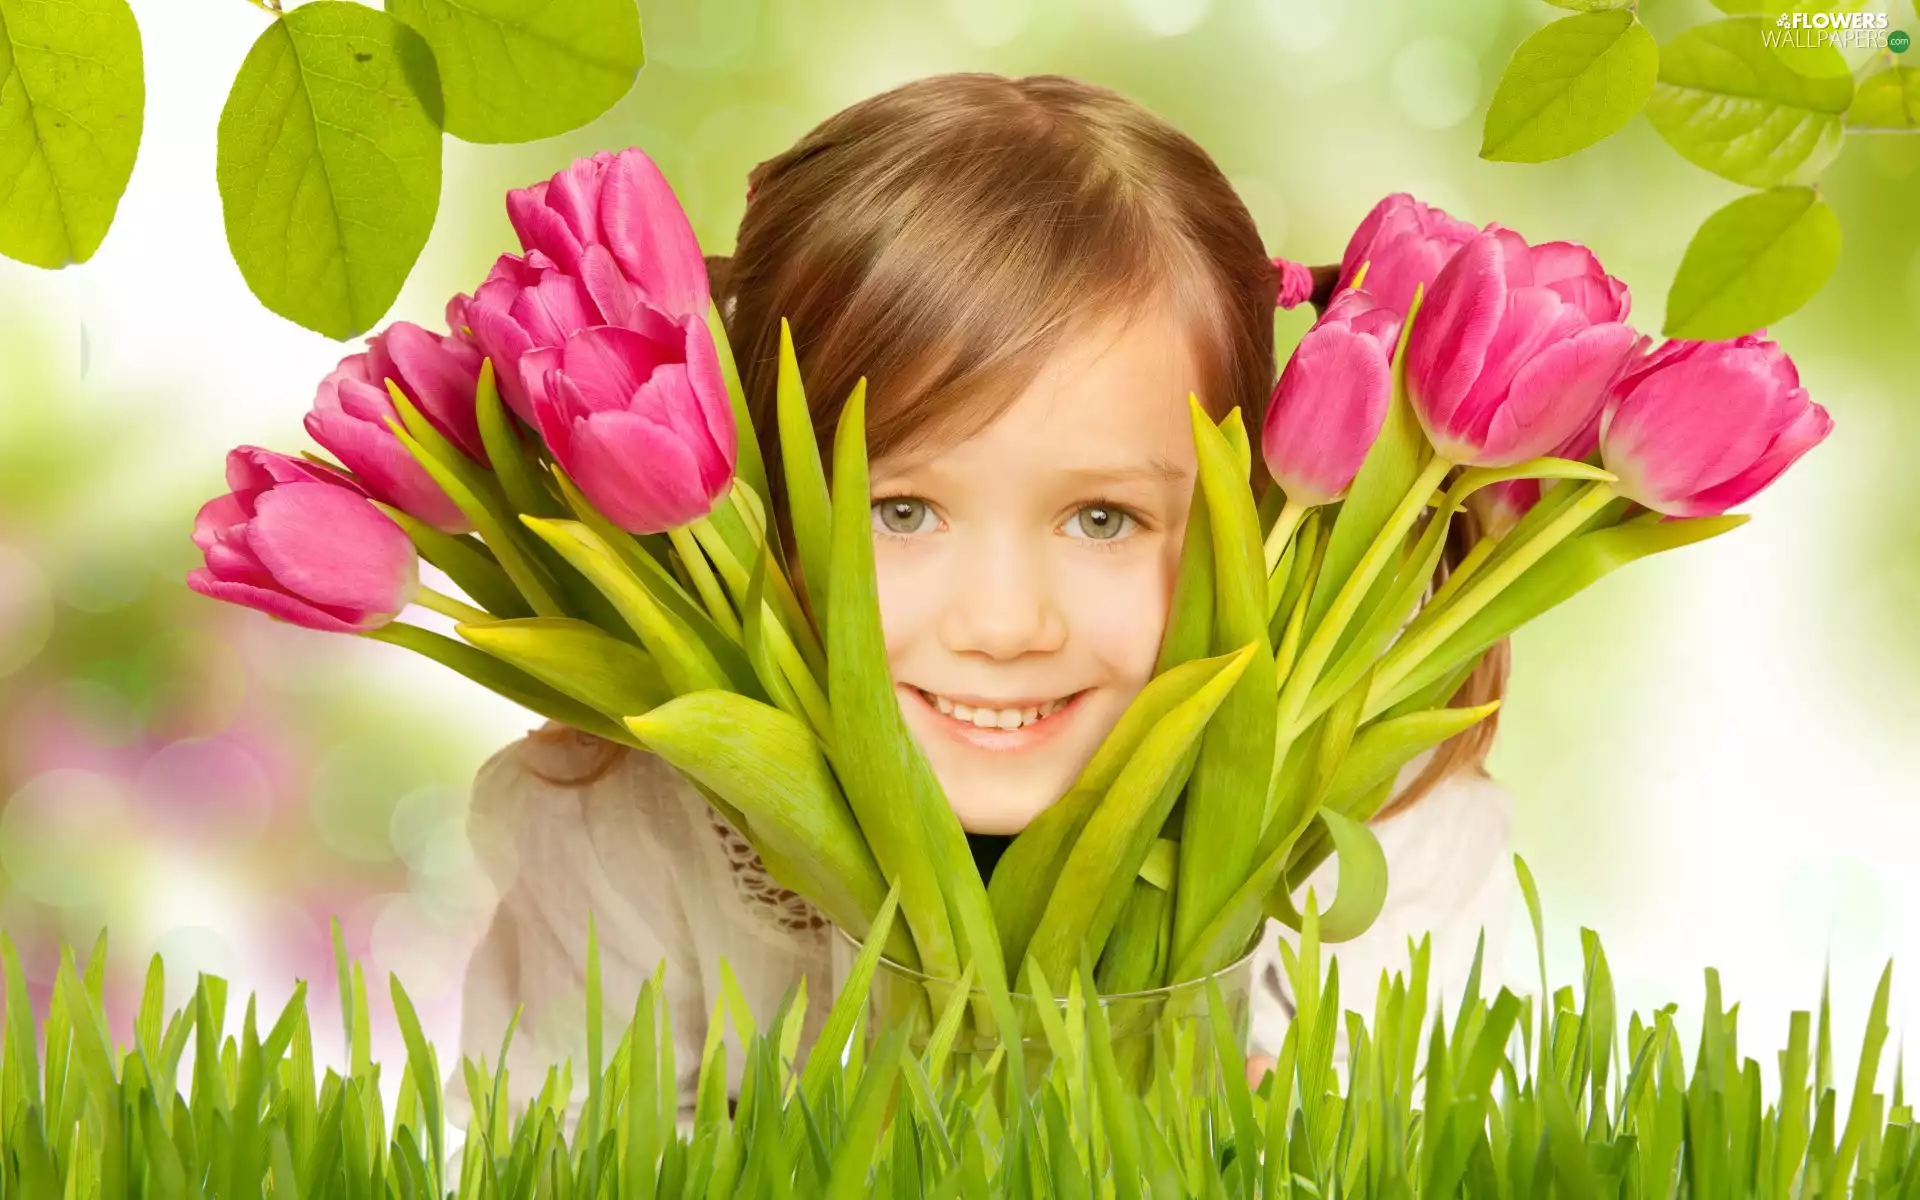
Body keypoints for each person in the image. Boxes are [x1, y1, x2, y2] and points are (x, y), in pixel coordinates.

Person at [443, 72, 1512, 1137]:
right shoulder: (637, 837)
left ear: (1255, 509)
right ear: (761, 490)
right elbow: (531, 1146)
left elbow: (1441, 1139)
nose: (1004, 627)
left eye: (1102, 518)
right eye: (901, 511)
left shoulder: (1387, 825)